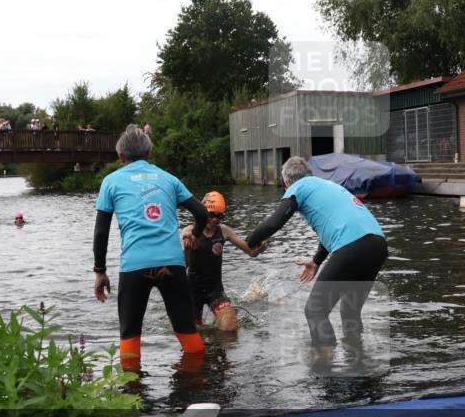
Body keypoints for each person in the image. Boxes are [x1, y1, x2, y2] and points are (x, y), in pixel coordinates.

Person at [92, 126, 209, 372]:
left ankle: (132, 394)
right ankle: (197, 384)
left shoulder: (111, 182)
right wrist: (195, 236)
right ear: (150, 153)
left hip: (135, 266)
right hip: (172, 264)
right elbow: (201, 212)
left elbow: (101, 231)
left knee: (130, 334)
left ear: (121, 157)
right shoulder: (168, 179)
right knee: (187, 330)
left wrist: (100, 271)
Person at [246, 156, 388, 349]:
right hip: (377, 245)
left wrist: (249, 243)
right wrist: (316, 261)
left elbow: (274, 222)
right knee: (350, 311)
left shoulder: (299, 187)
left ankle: (325, 367)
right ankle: (358, 362)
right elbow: (334, 228)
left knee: (315, 311)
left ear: (287, 181)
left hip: (353, 246)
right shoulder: (327, 186)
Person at [180, 191, 267, 332]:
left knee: (230, 327)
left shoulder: (224, 231)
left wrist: (261, 247)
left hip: (215, 290)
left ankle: (220, 346)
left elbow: (251, 252)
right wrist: (187, 245)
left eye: (220, 216)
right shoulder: (190, 231)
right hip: (192, 291)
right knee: (194, 332)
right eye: (211, 215)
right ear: (202, 213)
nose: (215, 219)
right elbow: (182, 261)